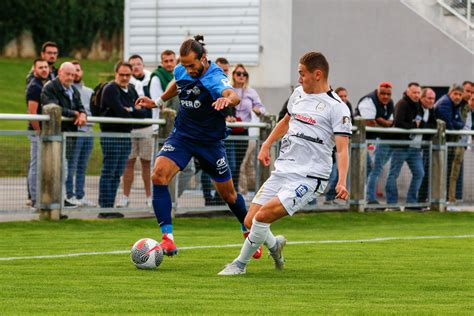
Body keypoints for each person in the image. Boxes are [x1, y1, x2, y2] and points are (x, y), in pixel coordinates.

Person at [218, 51, 352, 275]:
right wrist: (266, 144)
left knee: (262, 217)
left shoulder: (336, 107)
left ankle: (239, 265)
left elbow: (342, 148)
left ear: (317, 74)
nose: (299, 79)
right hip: (283, 171)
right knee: (251, 220)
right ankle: (275, 245)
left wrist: (342, 181)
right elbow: (287, 120)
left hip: (309, 177)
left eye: (302, 74)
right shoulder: (298, 94)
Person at [136, 35, 260, 258]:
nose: (188, 69)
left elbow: (232, 95)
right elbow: (177, 83)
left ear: (203, 58)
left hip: (210, 142)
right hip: (182, 136)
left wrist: (227, 100)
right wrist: (158, 101)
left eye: (191, 65)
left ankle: (248, 229)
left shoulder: (214, 77)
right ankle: (168, 240)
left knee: (229, 195)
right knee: (158, 175)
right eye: (183, 65)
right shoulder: (183, 69)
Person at [98, 61, 147, 218]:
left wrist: (130, 109)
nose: (125, 78)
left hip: (126, 135)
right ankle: (104, 208)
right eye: (122, 75)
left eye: (128, 75)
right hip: (111, 135)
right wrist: (131, 110)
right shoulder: (111, 89)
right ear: (116, 74)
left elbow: (143, 113)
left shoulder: (131, 89)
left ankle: (110, 207)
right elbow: (120, 111)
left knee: (118, 171)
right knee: (109, 170)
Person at [41, 62, 88, 210]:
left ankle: (61, 199)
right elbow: (53, 107)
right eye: (67, 74)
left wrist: (82, 114)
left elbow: (80, 106)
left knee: (64, 168)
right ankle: (51, 201)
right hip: (54, 134)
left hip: (69, 135)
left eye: (73, 75)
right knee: (52, 168)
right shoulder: (50, 87)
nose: (70, 77)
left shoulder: (73, 90)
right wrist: (74, 113)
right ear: (60, 73)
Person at [116, 55, 153, 208]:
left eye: (138, 64)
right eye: (133, 65)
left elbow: (145, 108)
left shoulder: (151, 80)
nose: (136, 67)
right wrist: (134, 110)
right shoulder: (126, 86)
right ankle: (125, 196)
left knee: (147, 164)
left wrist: (136, 110)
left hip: (146, 127)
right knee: (128, 163)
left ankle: (149, 197)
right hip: (130, 129)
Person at [385, 83, 425, 209]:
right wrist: (414, 126)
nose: (417, 95)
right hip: (400, 145)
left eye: (418, 92)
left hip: (413, 147)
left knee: (419, 173)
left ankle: (411, 203)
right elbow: (398, 123)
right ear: (408, 92)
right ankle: (392, 203)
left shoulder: (419, 105)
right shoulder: (402, 103)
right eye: (414, 92)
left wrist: (418, 125)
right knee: (393, 174)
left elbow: (420, 122)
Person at [228, 64, 266, 190]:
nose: (241, 76)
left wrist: (258, 110)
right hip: (228, 131)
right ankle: (225, 193)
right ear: (233, 75)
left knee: (239, 165)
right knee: (231, 164)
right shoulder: (227, 89)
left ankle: (234, 194)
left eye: (244, 74)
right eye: (238, 73)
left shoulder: (251, 92)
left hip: (243, 131)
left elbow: (262, 108)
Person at [356, 82, 394, 204]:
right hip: (362, 142)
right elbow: (369, 122)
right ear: (377, 92)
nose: (385, 97)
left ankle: (366, 198)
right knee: (367, 169)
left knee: (373, 169)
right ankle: (365, 198)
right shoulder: (368, 100)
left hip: (377, 141)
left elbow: (391, 122)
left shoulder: (390, 103)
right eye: (382, 93)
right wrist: (383, 122)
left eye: (388, 94)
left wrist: (379, 120)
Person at [65, 60, 96, 207]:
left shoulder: (89, 91)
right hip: (75, 132)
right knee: (72, 164)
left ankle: (80, 194)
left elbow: (92, 111)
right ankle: (69, 195)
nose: (76, 73)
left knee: (82, 166)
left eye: (78, 70)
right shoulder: (68, 90)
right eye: (73, 71)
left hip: (88, 132)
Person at [434, 84, 465, 203]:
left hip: (445, 143)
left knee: (446, 171)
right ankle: (434, 200)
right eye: (455, 94)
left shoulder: (455, 104)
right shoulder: (445, 103)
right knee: (437, 171)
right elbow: (449, 126)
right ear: (450, 93)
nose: (457, 97)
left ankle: (444, 199)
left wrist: (456, 124)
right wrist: (456, 125)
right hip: (438, 143)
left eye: (460, 94)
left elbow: (460, 122)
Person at [26, 58, 50, 209]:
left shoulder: (46, 84)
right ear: (35, 70)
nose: (44, 69)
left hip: (45, 132)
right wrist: (39, 132)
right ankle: (35, 199)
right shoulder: (34, 87)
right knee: (36, 165)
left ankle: (43, 197)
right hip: (37, 133)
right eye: (40, 67)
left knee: (43, 165)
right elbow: (32, 113)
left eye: (46, 67)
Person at [325, 86, 353, 204]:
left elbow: (350, 125)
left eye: (345, 96)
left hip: (339, 148)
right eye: (341, 96)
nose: (343, 98)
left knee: (337, 174)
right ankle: (323, 199)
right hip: (329, 148)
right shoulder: (331, 106)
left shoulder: (347, 107)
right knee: (332, 174)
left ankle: (330, 198)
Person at [447, 87, 474, 211]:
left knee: (455, 173)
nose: (470, 94)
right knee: (448, 171)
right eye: (468, 91)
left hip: (462, 144)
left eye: (472, 92)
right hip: (453, 142)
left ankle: (451, 199)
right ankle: (446, 199)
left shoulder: (468, 109)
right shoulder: (456, 106)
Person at [417, 88, 437, 204]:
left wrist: (423, 125)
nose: (431, 101)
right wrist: (425, 126)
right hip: (408, 145)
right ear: (422, 98)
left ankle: (420, 200)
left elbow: (434, 126)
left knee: (422, 173)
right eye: (429, 98)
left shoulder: (432, 110)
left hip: (424, 146)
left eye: (433, 99)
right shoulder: (416, 108)